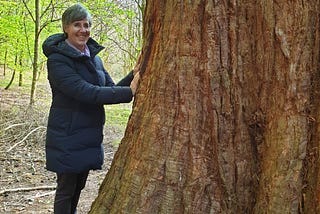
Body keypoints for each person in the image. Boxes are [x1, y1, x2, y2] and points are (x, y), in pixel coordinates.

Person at [42, 3, 140, 214]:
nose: (83, 30)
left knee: (79, 187)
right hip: (67, 134)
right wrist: (129, 92)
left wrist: (134, 74)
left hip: (89, 135)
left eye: (86, 25)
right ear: (66, 28)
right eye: (77, 24)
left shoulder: (95, 59)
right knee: (66, 190)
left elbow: (111, 89)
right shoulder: (58, 60)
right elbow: (86, 92)